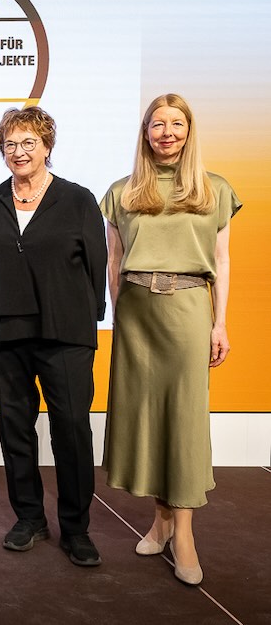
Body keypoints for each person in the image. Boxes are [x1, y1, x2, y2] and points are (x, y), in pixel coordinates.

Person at [102, 93, 240, 586]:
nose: (167, 132)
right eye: (157, 124)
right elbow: (114, 260)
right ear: (145, 132)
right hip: (136, 314)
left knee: (183, 421)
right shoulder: (122, 192)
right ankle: (160, 522)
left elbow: (221, 261)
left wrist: (219, 323)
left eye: (176, 124)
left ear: (189, 131)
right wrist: (119, 314)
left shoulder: (214, 188)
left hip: (188, 310)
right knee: (148, 420)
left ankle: (183, 533)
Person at [0, 106, 106, 567]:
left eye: (29, 142)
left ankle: (76, 528)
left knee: (71, 429)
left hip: (64, 332)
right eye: (10, 144)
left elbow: (96, 265)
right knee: (15, 429)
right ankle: (29, 517)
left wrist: (88, 320)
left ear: (47, 146)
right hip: (3, 332)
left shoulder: (77, 198)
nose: (19, 151)